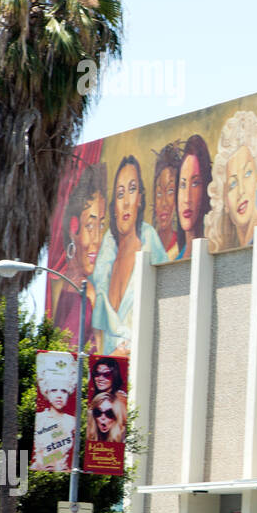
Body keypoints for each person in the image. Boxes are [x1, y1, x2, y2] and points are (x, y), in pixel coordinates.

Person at [92, 155, 169, 355]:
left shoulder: (151, 249)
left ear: (140, 199)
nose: (126, 202)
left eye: (132, 190)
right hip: (103, 374)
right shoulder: (104, 263)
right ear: (114, 206)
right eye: (120, 193)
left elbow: (167, 313)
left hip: (139, 368)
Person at [50, 161, 107, 354]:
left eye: (101, 225)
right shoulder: (86, 291)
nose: (97, 239)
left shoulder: (63, 284)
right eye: (90, 226)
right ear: (74, 227)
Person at [207, 111, 257, 251]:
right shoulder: (226, 247)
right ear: (224, 200)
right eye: (233, 184)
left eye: (247, 173)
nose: (241, 191)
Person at [31, 353, 78, 473]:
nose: (59, 396)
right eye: (54, 390)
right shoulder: (40, 420)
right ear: (47, 393)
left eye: (63, 391)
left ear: (68, 393)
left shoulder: (72, 422)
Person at [175, 134, 213, 259]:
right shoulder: (175, 261)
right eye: (182, 184)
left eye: (195, 183)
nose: (187, 198)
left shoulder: (214, 248)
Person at [152, 142, 183, 259]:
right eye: (159, 193)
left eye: (170, 191)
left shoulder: (181, 246)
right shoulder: (146, 243)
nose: (163, 203)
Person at [86, 356, 127, 444]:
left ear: (114, 376)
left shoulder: (120, 400)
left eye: (106, 375)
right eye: (97, 374)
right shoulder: (96, 398)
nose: (100, 378)